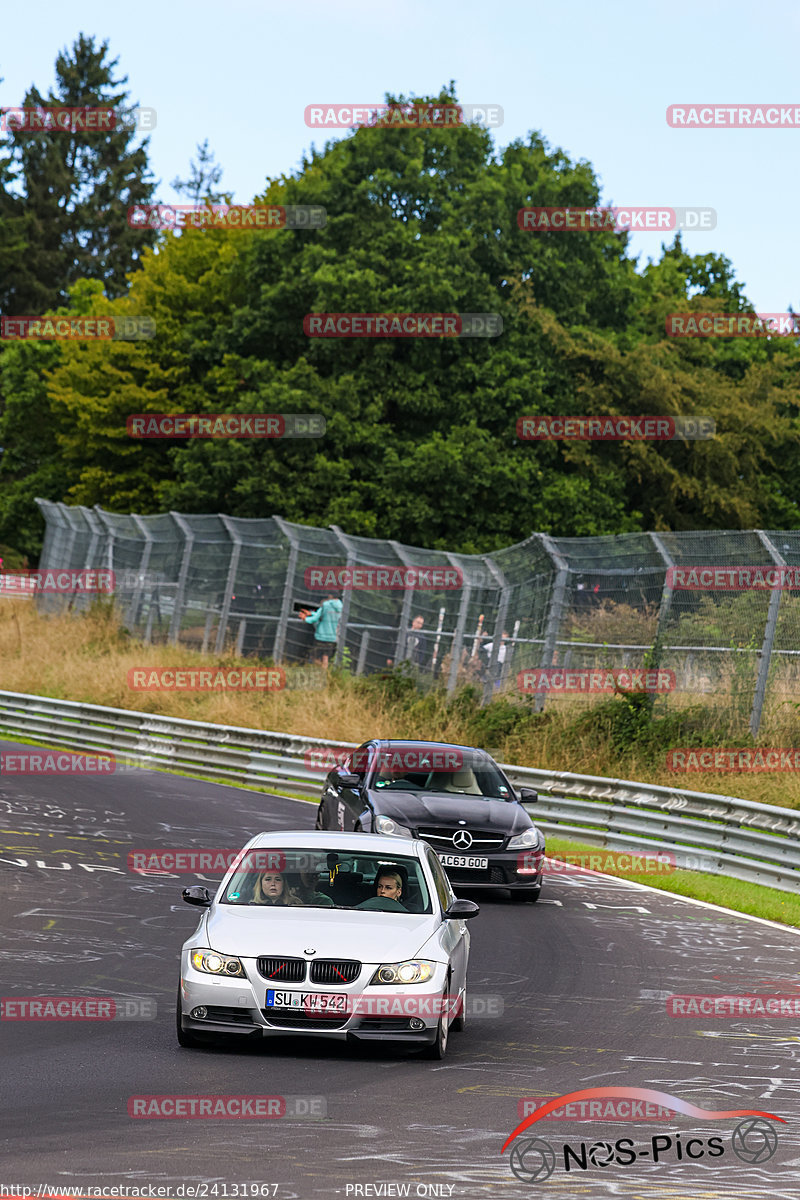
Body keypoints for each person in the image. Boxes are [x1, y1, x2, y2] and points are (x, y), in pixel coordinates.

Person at [299, 591, 343, 668]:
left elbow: (315, 619)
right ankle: (324, 675)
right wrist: (311, 613)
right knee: (325, 658)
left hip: (321, 637)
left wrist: (305, 618)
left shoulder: (326, 605)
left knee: (313, 658)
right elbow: (327, 615)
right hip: (332, 637)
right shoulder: (341, 606)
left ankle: (321, 670)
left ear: (330, 595)